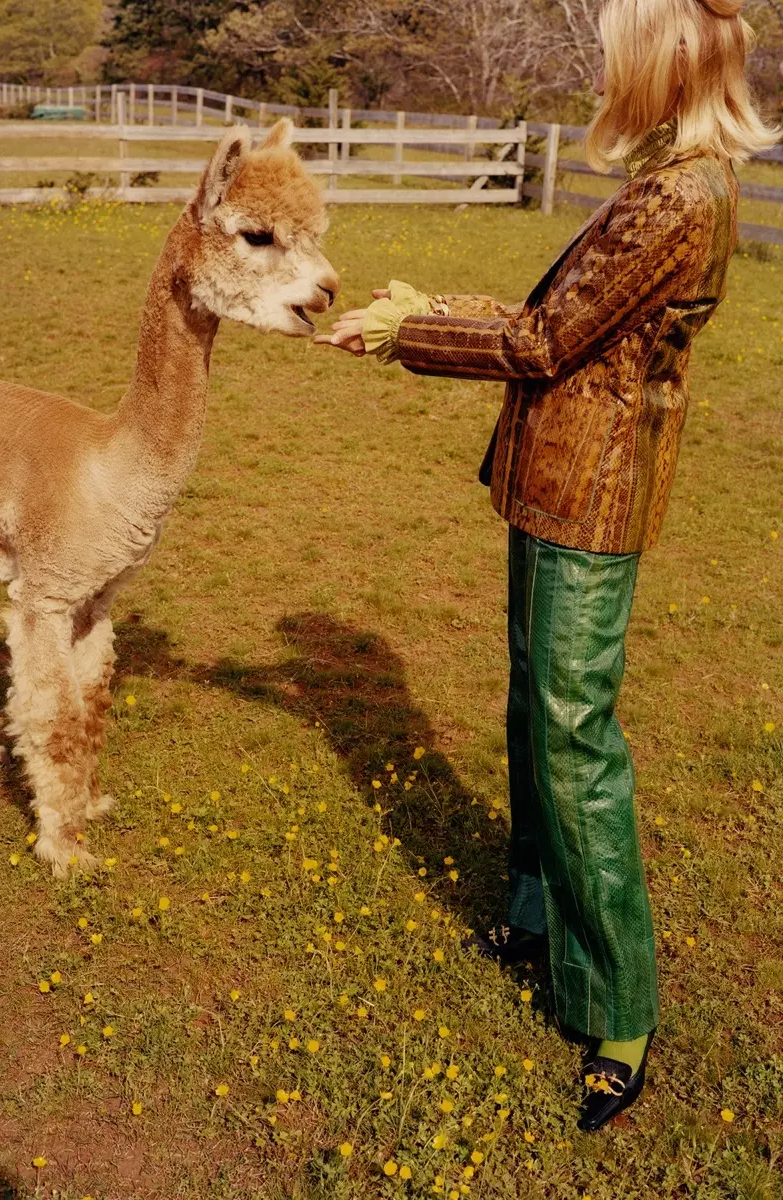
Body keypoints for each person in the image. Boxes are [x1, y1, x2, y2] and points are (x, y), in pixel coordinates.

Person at [315, 0, 778, 1131]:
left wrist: (401, 334)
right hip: (557, 483)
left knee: (571, 738)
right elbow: (557, 315)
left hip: (590, 501)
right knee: (537, 709)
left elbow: (540, 343)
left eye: (617, 53)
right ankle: (531, 910)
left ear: (668, 64)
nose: (602, 72)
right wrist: (433, 306)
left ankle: (617, 1004)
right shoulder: (670, 180)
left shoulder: (679, 196)